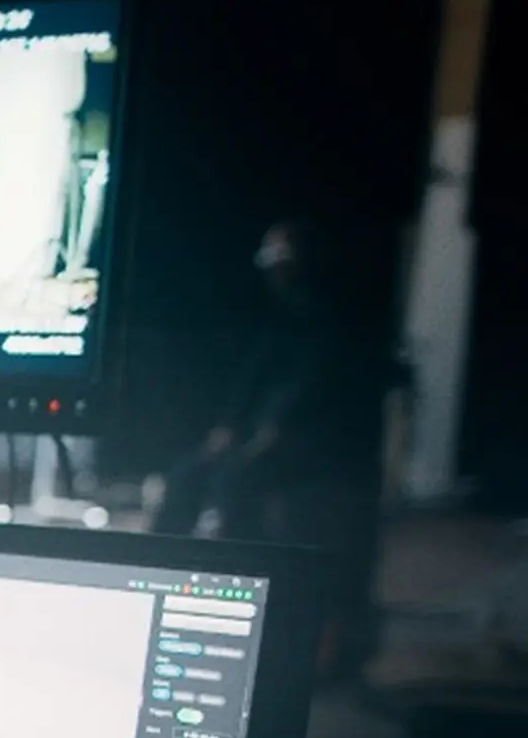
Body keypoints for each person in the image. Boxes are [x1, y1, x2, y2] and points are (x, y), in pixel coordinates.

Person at [150, 218, 388, 672]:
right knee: (186, 474)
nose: (272, 268)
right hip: (259, 437)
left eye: (280, 257)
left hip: (312, 445)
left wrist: (270, 434)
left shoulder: (328, 321)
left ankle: (242, 590)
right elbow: (251, 380)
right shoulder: (277, 318)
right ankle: (158, 573)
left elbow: (315, 391)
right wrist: (227, 427)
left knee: (237, 482)